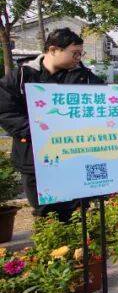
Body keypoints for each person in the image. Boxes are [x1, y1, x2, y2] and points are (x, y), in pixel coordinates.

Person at [0, 27, 103, 221]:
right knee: (45, 211)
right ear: (53, 50)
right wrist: (38, 132)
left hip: (73, 157)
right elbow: (6, 112)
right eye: (75, 53)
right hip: (34, 158)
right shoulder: (21, 76)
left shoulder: (86, 78)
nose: (78, 58)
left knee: (75, 211)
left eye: (81, 54)